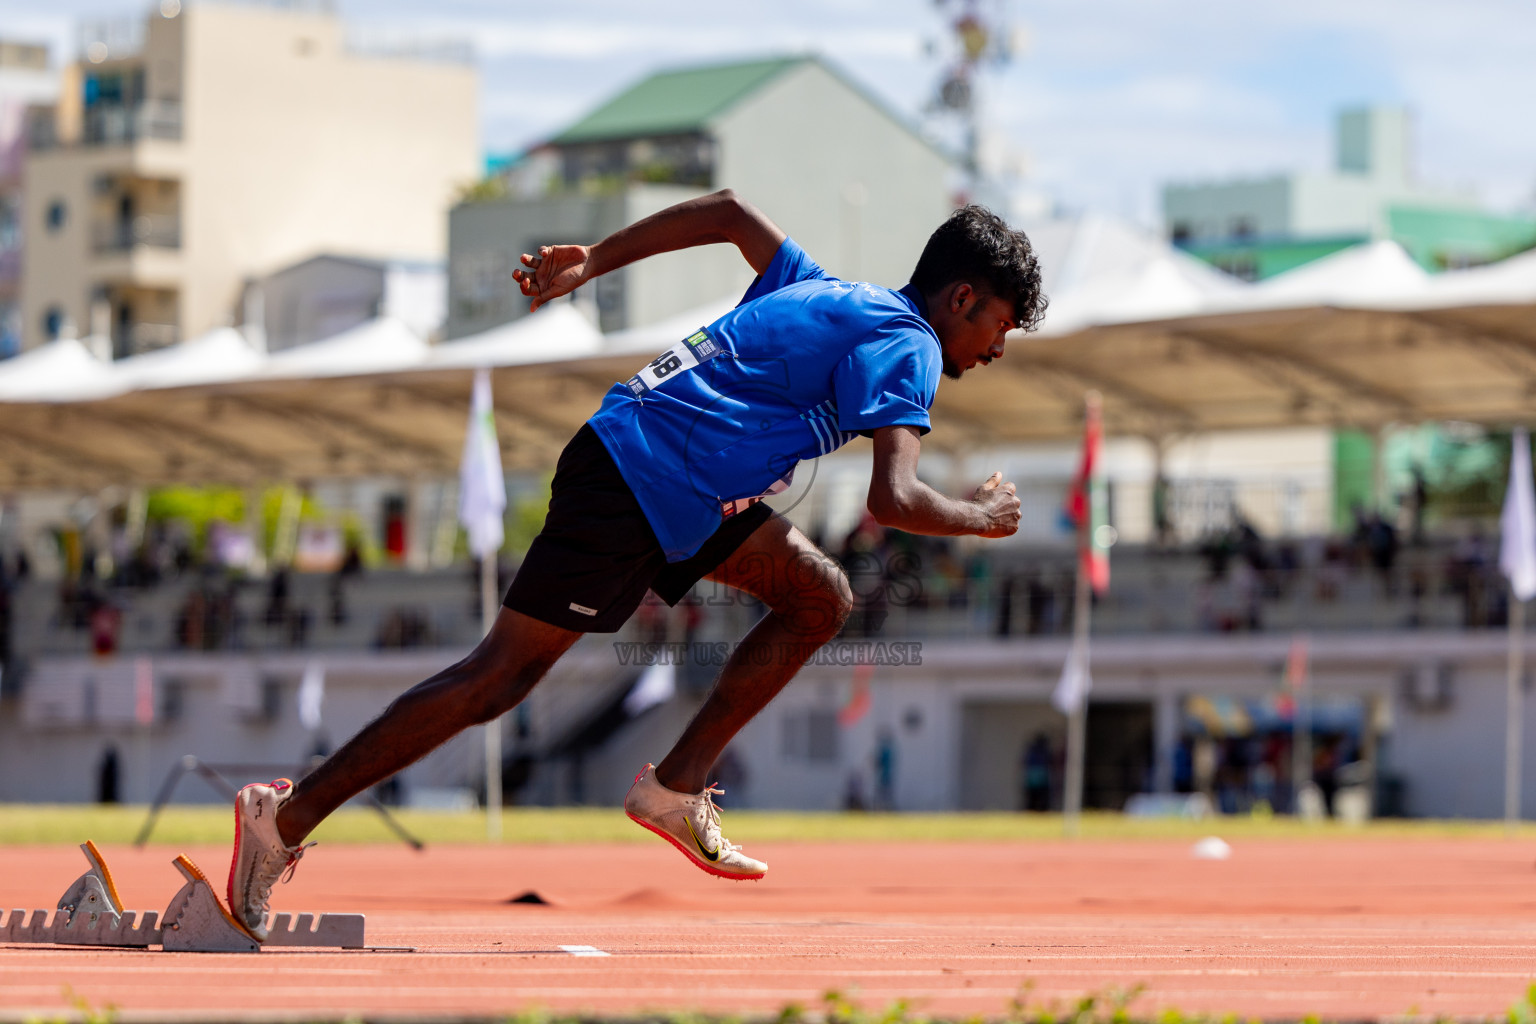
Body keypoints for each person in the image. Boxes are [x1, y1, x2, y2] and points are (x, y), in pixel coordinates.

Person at [226, 188, 1045, 941]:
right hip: (638, 480)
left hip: (676, 484)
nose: (998, 349)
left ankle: (676, 788)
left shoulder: (826, 290)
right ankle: (282, 820)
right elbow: (893, 500)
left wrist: (594, 259)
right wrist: (980, 516)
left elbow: (728, 211)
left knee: (817, 596)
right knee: (497, 680)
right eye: (1000, 326)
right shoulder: (909, 344)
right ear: (961, 298)